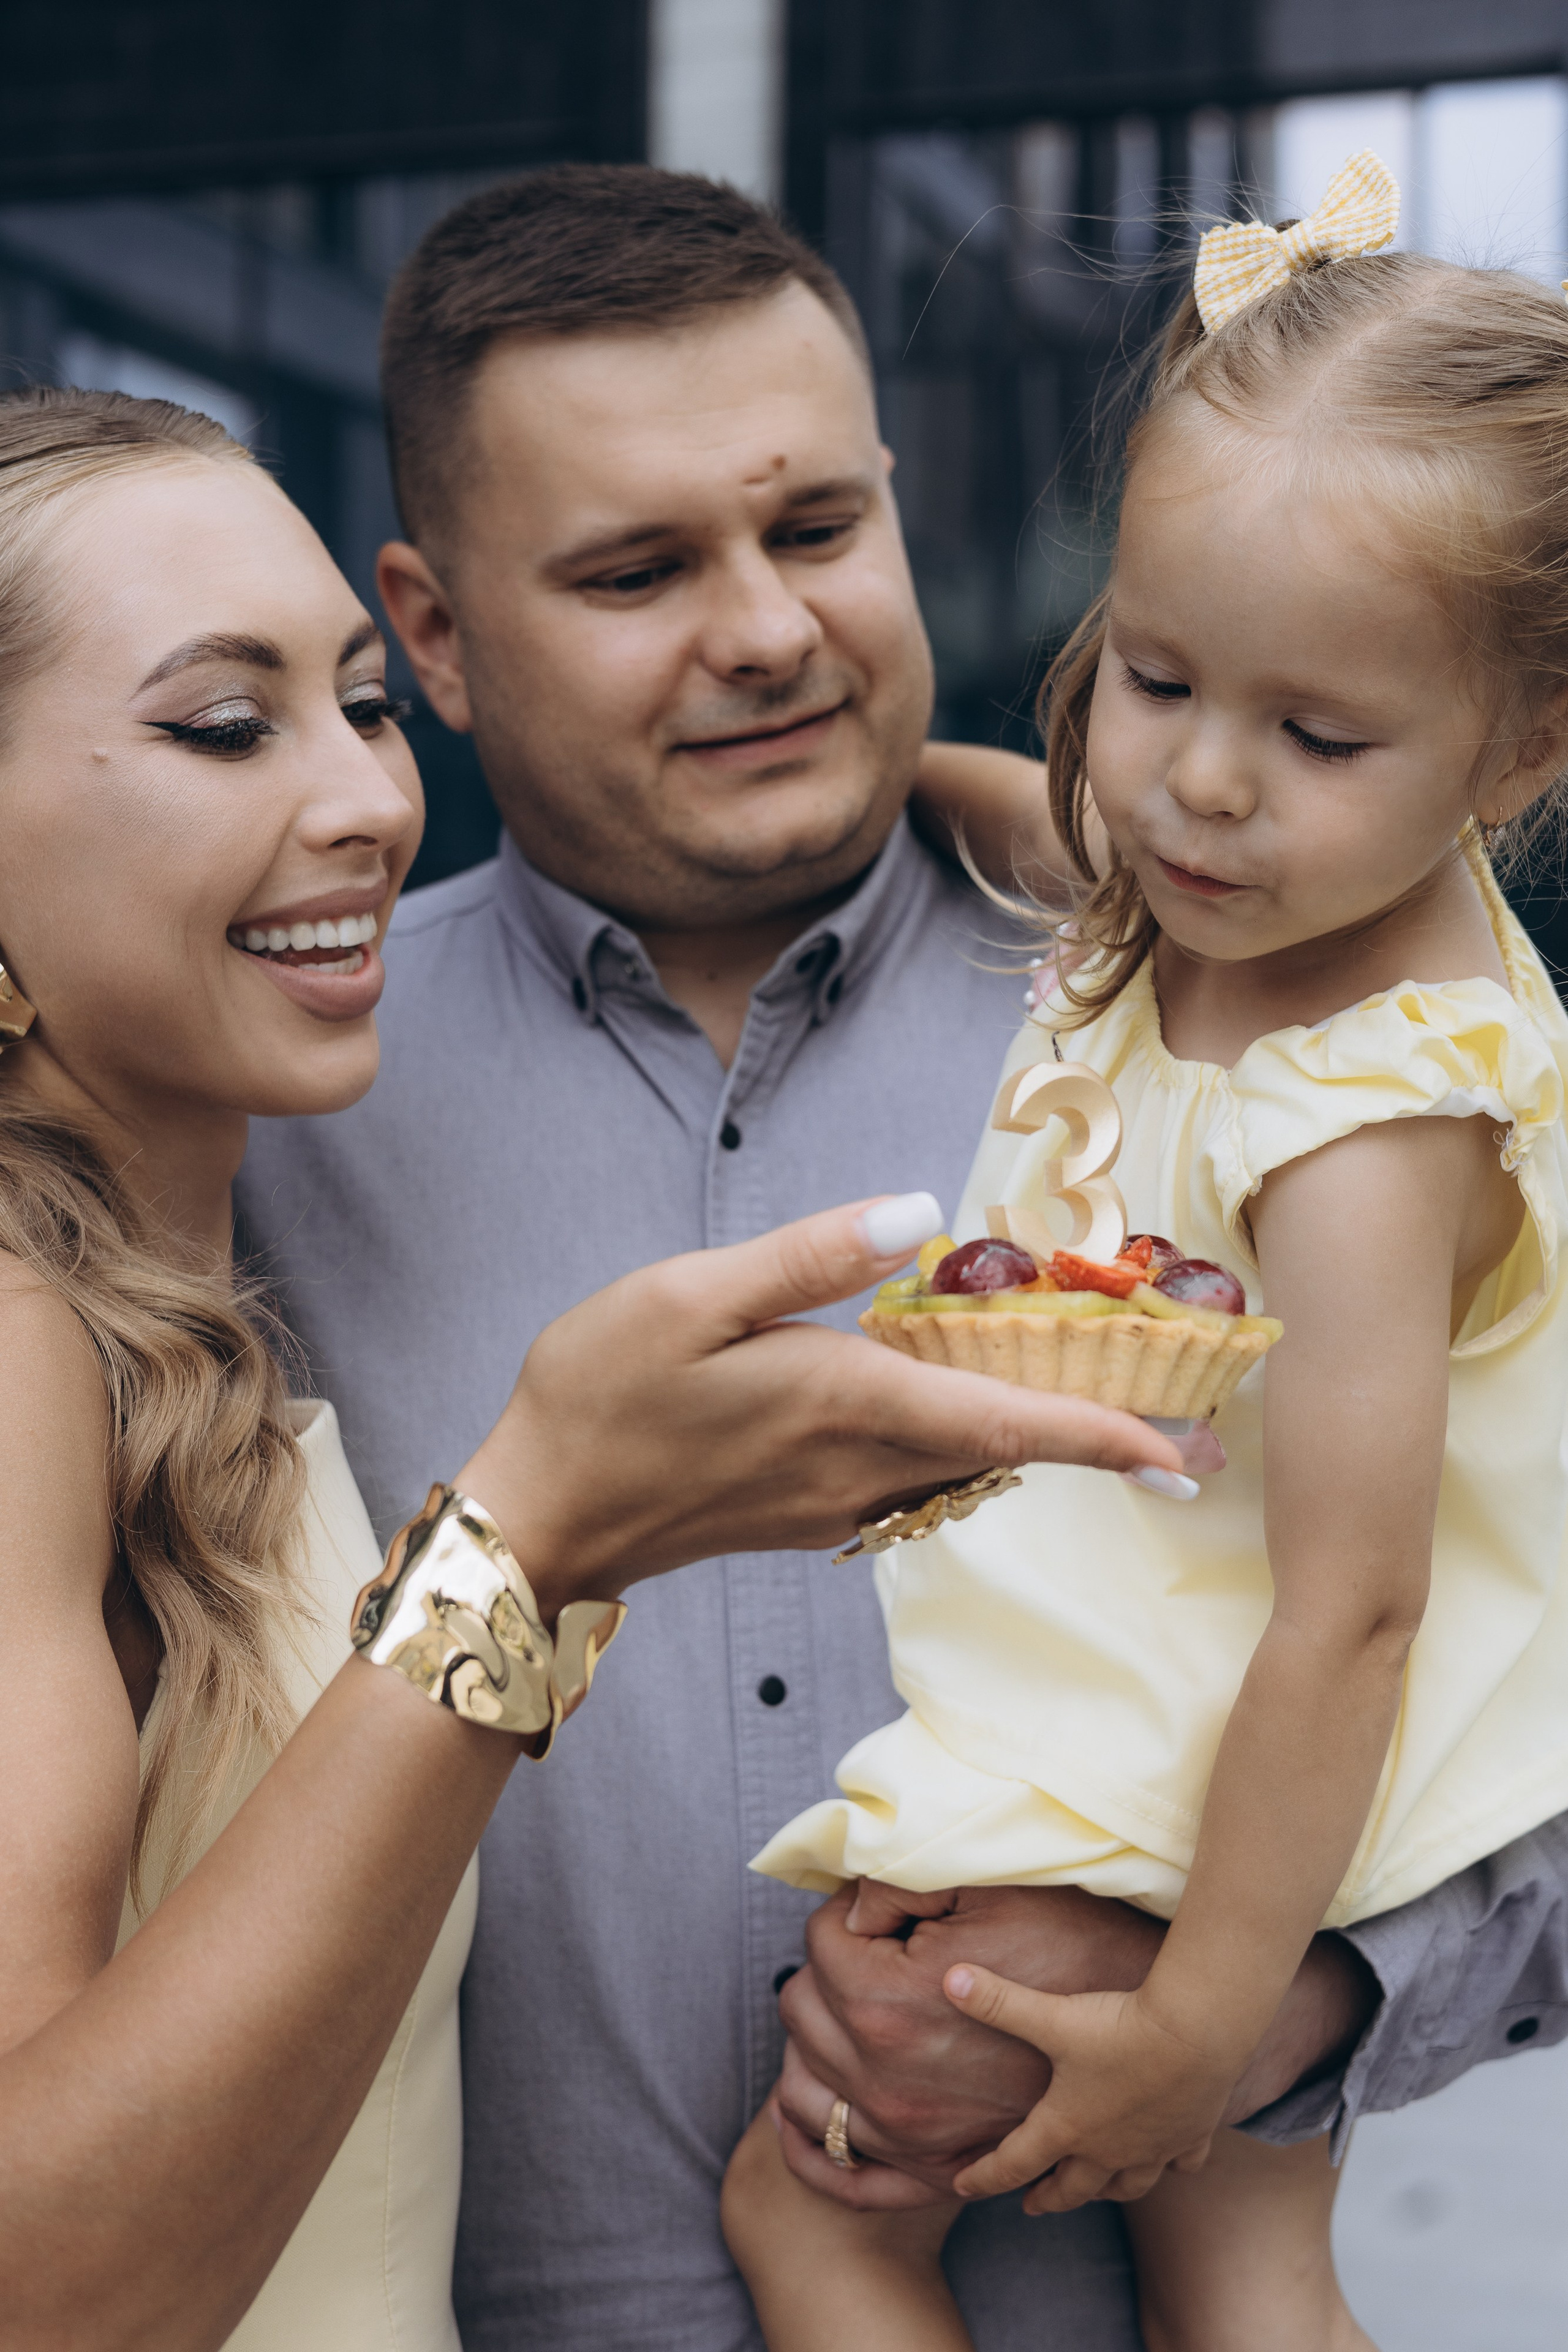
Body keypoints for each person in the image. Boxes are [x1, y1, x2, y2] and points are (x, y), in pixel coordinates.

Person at [238, 165, 1568, 2350]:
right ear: (437, 634)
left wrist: (1262, 2012)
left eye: (817, 531)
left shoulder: (1275, 1024)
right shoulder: (269, 1128)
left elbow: (1477, 1658)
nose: (765, 629)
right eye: (639, 568)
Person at [0, 382, 1192, 2352]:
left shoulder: (170, 1284)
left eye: (360, 707)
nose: (371, 800)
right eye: (226, 724)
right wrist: (529, 1553)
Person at [723, 158, 1568, 2351]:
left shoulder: (1368, 1122)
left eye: (1313, 734)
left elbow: (1359, 1603)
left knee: (811, 2222)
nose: (1198, 788)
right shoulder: (1232, 899)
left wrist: (1206, 2019)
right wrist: (894, 763)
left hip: (1148, 1792)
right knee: (1255, 2280)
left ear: (1528, 746)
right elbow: (1069, 839)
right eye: (1155, 676)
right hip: (1235, 1802)